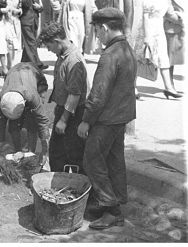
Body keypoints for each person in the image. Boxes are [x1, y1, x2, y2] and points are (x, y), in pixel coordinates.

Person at [77, 8, 137, 229]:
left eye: (96, 30)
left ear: (103, 28)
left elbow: (98, 94)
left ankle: (110, 207)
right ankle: (116, 204)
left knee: (91, 160)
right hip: (121, 116)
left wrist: (86, 121)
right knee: (114, 161)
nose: (97, 35)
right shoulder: (127, 49)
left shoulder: (110, 55)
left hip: (107, 119)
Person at [39, 22, 88, 173]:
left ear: (57, 41)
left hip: (73, 114)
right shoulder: (62, 55)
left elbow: (75, 95)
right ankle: (61, 185)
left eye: (49, 46)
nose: (48, 50)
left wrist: (63, 120)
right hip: (64, 110)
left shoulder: (73, 60)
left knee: (73, 154)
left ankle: (77, 189)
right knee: (57, 153)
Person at [0, 62, 50, 164]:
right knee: (14, 124)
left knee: (33, 120)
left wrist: (45, 151)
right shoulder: (2, 99)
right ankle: (17, 152)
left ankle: (30, 154)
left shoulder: (32, 96)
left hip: (36, 77)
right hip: (13, 74)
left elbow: (42, 121)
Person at [138, 0, 183, 99]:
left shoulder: (167, 1)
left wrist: (182, 19)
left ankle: (169, 88)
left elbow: (170, 15)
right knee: (140, 60)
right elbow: (144, 17)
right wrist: (146, 37)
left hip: (159, 31)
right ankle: (132, 89)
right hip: (146, 30)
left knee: (163, 58)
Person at [20, 0, 48, 70]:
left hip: (34, 21)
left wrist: (39, 7)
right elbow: (24, 4)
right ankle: (37, 64)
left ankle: (24, 63)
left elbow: (41, 8)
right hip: (26, 21)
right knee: (32, 42)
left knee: (29, 43)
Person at [164, 0, 185, 94]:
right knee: (171, 59)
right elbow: (168, 13)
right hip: (173, 29)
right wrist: (183, 20)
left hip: (182, 29)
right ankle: (170, 86)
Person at [5, 0, 22, 70]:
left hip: (16, 21)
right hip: (6, 21)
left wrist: (19, 11)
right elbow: (2, 7)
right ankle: (10, 64)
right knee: (9, 42)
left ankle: (13, 63)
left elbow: (21, 9)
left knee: (16, 43)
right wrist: (11, 10)